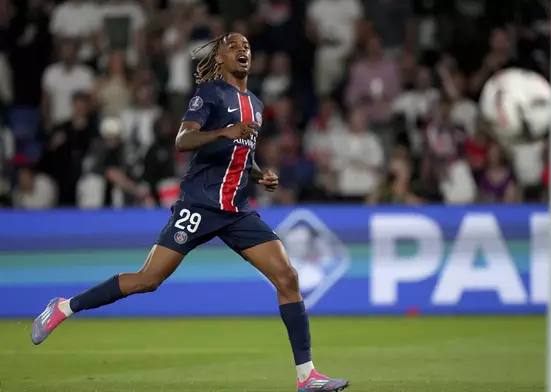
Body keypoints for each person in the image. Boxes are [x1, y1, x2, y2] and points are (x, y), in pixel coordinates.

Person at [31, 32, 350, 392]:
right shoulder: (209, 94)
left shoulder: (256, 104)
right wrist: (224, 131)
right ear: (220, 58)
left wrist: (262, 174)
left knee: (287, 278)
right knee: (148, 279)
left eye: (247, 47)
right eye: (234, 47)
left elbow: (242, 152)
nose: (243, 51)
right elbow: (183, 140)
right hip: (199, 204)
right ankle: (64, 307)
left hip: (237, 211)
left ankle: (307, 376)